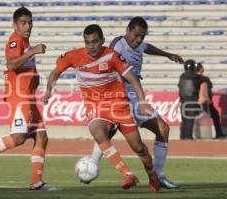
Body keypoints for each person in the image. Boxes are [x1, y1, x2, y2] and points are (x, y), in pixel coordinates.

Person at [43, 24, 160, 192]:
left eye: (95, 42)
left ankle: (152, 175)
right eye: (87, 42)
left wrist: (142, 101)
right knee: (99, 134)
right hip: (96, 108)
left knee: (138, 148)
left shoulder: (112, 56)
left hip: (119, 107)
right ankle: (127, 174)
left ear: (103, 41)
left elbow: (132, 78)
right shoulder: (73, 56)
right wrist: (48, 90)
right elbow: (55, 72)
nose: (91, 46)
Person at [0, 7, 57, 191]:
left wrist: (35, 77)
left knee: (42, 136)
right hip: (19, 97)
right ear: (14, 25)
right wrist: (34, 52)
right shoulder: (16, 41)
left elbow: (22, 68)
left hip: (28, 97)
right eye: (23, 23)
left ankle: (36, 182)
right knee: (19, 138)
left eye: (30, 22)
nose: (27, 26)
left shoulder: (26, 43)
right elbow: (11, 63)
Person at [90, 16, 183, 189]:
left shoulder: (140, 43)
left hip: (135, 95)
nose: (138, 39)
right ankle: (91, 165)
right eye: (136, 35)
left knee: (163, 129)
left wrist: (168, 55)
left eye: (142, 36)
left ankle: (159, 176)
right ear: (128, 31)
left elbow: (147, 47)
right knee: (108, 131)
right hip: (119, 95)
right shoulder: (118, 46)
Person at [178, 59, 208, 140]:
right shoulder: (198, 77)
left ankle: (183, 137)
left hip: (183, 100)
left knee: (184, 120)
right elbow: (204, 81)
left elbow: (180, 88)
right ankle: (188, 137)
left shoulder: (182, 76)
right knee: (190, 120)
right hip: (193, 100)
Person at [195, 63, 226, 139]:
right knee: (214, 115)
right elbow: (207, 89)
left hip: (197, 102)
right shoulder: (204, 79)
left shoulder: (193, 78)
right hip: (205, 102)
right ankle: (218, 134)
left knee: (213, 115)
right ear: (200, 68)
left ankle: (218, 133)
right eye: (202, 67)